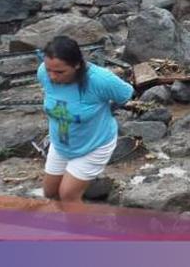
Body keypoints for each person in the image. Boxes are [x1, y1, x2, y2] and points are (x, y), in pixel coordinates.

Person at [38, 36, 134, 205]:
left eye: (60, 72)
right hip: (61, 143)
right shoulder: (43, 73)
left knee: (68, 195)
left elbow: (125, 94)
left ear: (77, 65)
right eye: (49, 70)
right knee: (50, 192)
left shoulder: (100, 80)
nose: (52, 76)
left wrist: (107, 111)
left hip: (94, 144)